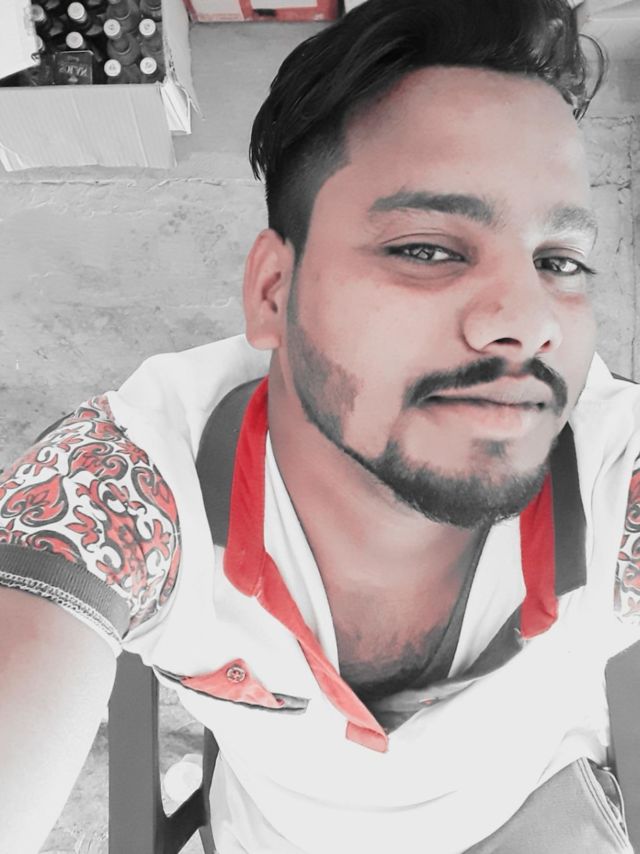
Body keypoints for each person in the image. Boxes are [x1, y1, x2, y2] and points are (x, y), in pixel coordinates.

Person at [1, 0, 639, 851]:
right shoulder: (132, 490)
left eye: (559, 262)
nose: (528, 322)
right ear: (274, 291)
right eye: (426, 249)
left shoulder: (611, 478)